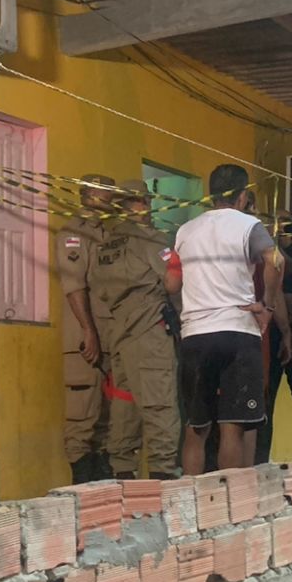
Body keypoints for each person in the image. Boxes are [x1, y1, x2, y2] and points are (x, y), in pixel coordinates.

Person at [167, 164, 290, 474]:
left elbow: (171, 284)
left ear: (211, 195)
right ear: (243, 196)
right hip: (236, 331)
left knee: (196, 428)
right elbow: (276, 260)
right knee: (231, 426)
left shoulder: (185, 230)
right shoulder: (249, 225)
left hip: (194, 334)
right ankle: (230, 505)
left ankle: (191, 506)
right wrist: (268, 304)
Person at [90, 181, 181, 479]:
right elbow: (172, 282)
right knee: (160, 404)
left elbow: (99, 290)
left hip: (118, 333)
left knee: (124, 404)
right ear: (141, 203)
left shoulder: (106, 246)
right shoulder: (152, 240)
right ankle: (162, 473)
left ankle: (122, 472)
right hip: (149, 331)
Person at [56, 174, 120, 484]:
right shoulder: (74, 232)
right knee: (83, 418)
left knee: (109, 420)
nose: (106, 198)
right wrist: (88, 330)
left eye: (109, 193)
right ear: (85, 194)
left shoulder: (113, 232)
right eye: (100, 192)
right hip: (86, 338)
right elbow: (74, 285)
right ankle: (81, 490)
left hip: (113, 338)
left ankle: (102, 492)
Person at [257, 217, 292, 465]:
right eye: (278, 225)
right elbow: (275, 292)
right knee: (263, 402)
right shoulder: (259, 249)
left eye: (289, 226)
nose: (282, 229)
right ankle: (259, 461)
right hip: (270, 334)